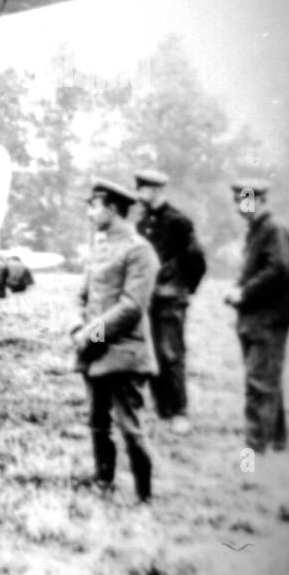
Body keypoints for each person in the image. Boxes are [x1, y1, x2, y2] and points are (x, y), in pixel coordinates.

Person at [71, 179, 158, 503]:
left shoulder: (140, 250)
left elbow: (132, 307)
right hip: (94, 352)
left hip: (124, 354)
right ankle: (103, 481)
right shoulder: (99, 247)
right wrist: (76, 326)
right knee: (97, 422)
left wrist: (90, 334)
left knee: (130, 427)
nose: (90, 213)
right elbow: (82, 294)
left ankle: (144, 495)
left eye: (94, 206)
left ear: (112, 208)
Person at [224, 178, 289, 454]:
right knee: (267, 381)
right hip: (255, 318)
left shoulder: (273, 230)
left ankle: (254, 449)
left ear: (258, 201)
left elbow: (279, 270)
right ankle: (276, 440)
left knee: (259, 384)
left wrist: (244, 293)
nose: (239, 206)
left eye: (244, 200)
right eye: (237, 200)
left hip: (269, 319)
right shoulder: (257, 231)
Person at [134, 169, 206, 434]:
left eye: (143, 189)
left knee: (171, 354)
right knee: (152, 352)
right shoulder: (143, 224)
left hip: (170, 299)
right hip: (148, 299)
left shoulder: (178, 222)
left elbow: (196, 260)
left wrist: (183, 290)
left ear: (154, 191)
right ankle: (163, 409)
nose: (139, 194)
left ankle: (179, 411)